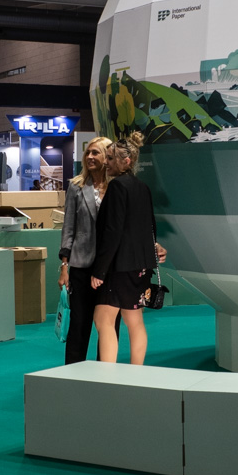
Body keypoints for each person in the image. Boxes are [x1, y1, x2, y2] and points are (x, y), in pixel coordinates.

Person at [90, 132, 165, 366]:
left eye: (111, 158)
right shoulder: (143, 187)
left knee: (103, 320)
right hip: (141, 266)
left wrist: (99, 270)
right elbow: (151, 226)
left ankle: (107, 375)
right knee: (134, 320)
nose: (106, 162)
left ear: (127, 161)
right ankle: (136, 372)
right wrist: (152, 250)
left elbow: (112, 232)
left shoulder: (117, 187)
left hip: (118, 267)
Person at [59, 137, 118, 365]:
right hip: (81, 266)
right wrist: (64, 266)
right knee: (79, 324)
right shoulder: (76, 186)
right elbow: (68, 229)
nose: (90, 157)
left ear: (107, 157)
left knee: (108, 325)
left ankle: (105, 373)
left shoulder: (117, 186)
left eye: (96, 153)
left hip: (111, 268)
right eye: (88, 153)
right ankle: (73, 372)